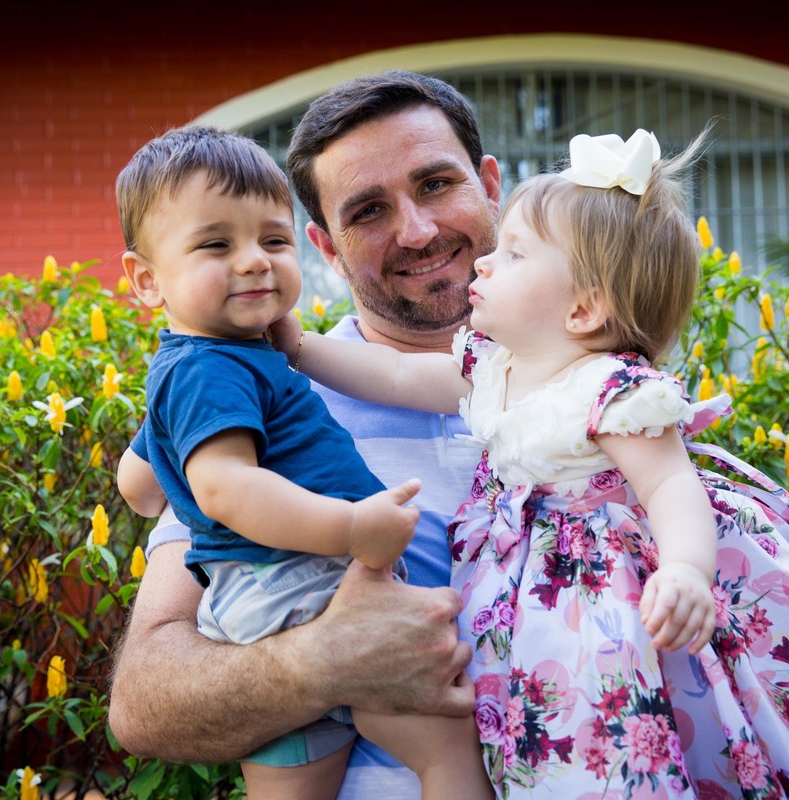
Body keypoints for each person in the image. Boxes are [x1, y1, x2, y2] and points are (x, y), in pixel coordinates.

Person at [268, 128, 789, 798]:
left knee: (620, 731)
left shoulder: (613, 389)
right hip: (532, 605)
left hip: (605, 599)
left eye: (514, 254)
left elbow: (671, 484)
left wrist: (684, 571)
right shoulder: (492, 366)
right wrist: (299, 347)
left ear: (584, 308)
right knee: (544, 724)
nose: (483, 264)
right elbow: (391, 373)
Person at [107, 70, 503, 799]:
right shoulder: (267, 406)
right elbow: (142, 703)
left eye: (437, 184)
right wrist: (322, 661)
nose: (416, 231)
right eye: (369, 210)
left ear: (489, 184)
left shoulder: (602, 387)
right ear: (327, 245)